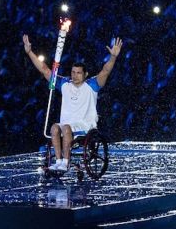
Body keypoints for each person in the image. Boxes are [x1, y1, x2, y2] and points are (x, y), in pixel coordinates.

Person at [22, 34, 123, 172]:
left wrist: (113, 57)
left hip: (85, 125)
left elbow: (105, 71)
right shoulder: (64, 84)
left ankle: (66, 162)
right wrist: (29, 53)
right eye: (73, 72)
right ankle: (58, 162)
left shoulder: (92, 85)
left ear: (85, 74)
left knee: (66, 128)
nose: (75, 75)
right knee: (54, 128)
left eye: (79, 73)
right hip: (67, 125)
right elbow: (45, 70)